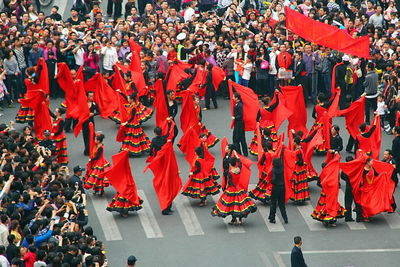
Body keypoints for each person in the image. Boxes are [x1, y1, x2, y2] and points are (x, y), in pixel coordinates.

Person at [212, 157, 257, 225]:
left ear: (230, 164)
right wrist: (238, 158)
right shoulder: (238, 169)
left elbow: (230, 182)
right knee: (239, 205)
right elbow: (240, 164)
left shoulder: (230, 172)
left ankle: (234, 219)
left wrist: (226, 187)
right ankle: (240, 220)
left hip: (231, 189)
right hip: (238, 188)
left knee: (231, 205)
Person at [268, 157, 288, 224]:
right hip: (283, 187)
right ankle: (285, 218)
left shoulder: (274, 169)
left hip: (276, 187)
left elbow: (273, 178)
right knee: (282, 204)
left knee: (273, 203)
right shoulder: (282, 168)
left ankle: (272, 218)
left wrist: (271, 181)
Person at [82, 91, 100, 156]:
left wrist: (93, 114)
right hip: (84, 122)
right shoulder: (83, 103)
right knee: (85, 136)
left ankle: (88, 150)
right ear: (87, 96)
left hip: (91, 122)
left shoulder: (94, 104)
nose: (91, 97)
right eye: (90, 96)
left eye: (92, 96)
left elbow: (99, 111)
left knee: (91, 136)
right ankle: (87, 148)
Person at [232, 92, 248, 156]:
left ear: (237, 98)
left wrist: (234, 117)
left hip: (239, 124)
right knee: (242, 139)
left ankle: (239, 153)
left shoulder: (239, 105)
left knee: (236, 139)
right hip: (239, 124)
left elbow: (240, 115)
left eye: (234, 97)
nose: (233, 98)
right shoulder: (238, 104)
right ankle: (245, 153)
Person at [341, 156, 355, 222]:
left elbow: (342, 177)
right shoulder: (356, 168)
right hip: (356, 187)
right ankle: (360, 217)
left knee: (348, 203)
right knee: (358, 202)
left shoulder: (344, 169)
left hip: (348, 187)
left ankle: (348, 217)